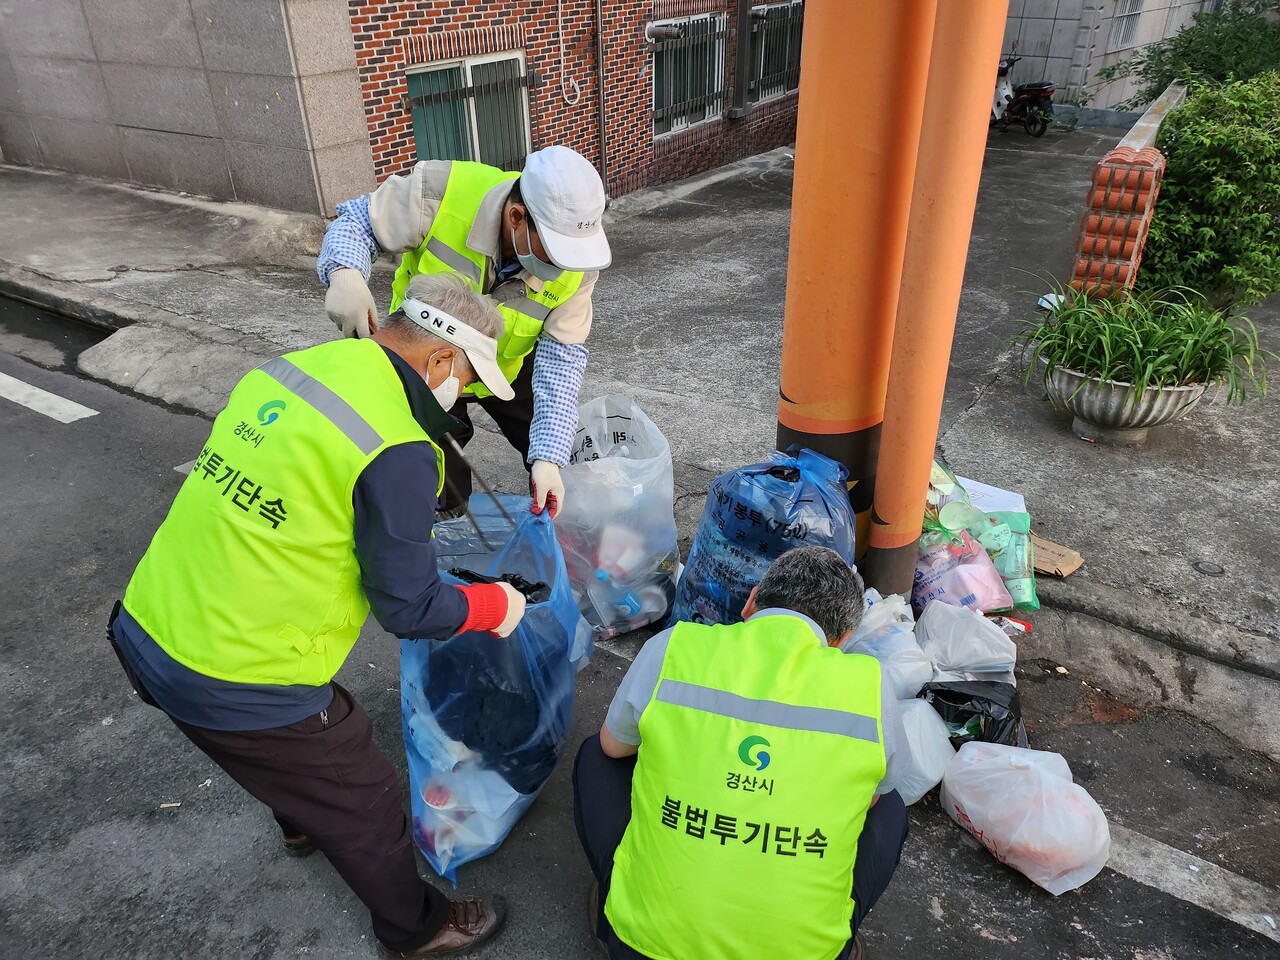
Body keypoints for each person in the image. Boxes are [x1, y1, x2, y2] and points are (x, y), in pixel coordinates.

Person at [108, 273, 528, 958]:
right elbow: (412, 607)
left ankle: (300, 819)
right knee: (360, 794)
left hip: (150, 622)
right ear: (442, 360)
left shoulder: (290, 369)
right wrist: (493, 605)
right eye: (469, 380)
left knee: (300, 742)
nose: (464, 397)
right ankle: (418, 929)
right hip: (232, 671)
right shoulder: (397, 446)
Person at [573, 547, 912, 960]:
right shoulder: (868, 685)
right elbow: (873, 796)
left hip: (644, 947)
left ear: (751, 602)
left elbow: (614, 745)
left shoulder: (677, 645)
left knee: (596, 755)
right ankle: (834, 939)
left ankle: (621, 902)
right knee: (891, 807)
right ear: (841, 640)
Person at [318, 145, 612, 522]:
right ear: (517, 217)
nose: (560, 267)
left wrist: (548, 458)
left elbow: (562, 359)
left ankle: (558, 519)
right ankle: (446, 529)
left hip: (506, 367)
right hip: (426, 360)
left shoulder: (579, 264)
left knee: (554, 454)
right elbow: (358, 222)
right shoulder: (441, 192)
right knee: (436, 470)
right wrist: (345, 272)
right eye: (554, 252)